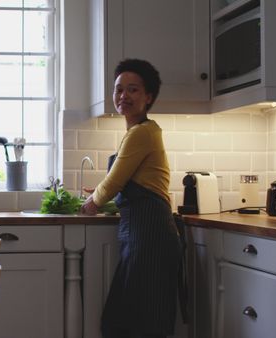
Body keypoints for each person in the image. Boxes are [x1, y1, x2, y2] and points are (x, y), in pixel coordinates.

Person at [81, 59, 182, 338]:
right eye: (119, 89)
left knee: (140, 320)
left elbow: (115, 180)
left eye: (133, 90)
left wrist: (92, 204)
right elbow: (130, 182)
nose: (124, 96)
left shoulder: (142, 132)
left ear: (148, 97)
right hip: (141, 232)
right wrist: (102, 196)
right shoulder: (139, 132)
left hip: (150, 234)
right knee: (130, 318)